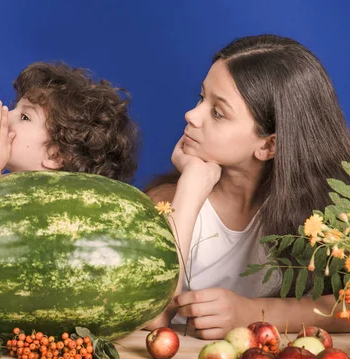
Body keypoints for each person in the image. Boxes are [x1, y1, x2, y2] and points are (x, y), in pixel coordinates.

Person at [145, 34, 350, 339]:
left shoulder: (330, 217)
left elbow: (344, 307)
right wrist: (189, 189)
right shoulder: (167, 202)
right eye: (202, 98)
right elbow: (150, 317)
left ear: (270, 145)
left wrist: (250, 313)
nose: (191, 115)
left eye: (218, 112)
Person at [0, 62, 139, 184]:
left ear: (55, 155)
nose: (6, 116)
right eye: (15, 107)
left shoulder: (48, 210)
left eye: (25, 117)